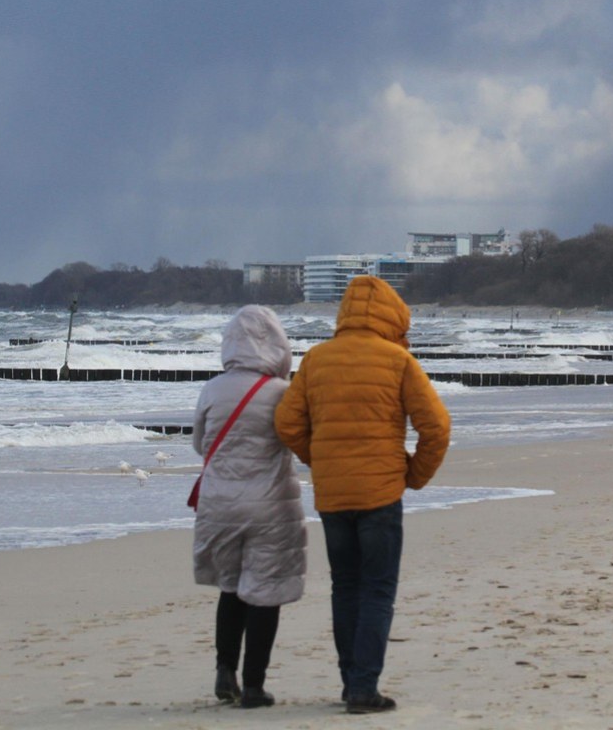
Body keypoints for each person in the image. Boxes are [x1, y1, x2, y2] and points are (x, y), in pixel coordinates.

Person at [275, 275, 451, 714]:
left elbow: (287, 423)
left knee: (346, 588)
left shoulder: (316, 360)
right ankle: (363, 687)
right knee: (377, 589)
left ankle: (350, 679)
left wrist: (323, 461)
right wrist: (413, 475)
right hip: (381, 493)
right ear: (393, 316)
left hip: (334, 497)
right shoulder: (398, 360)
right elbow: (437, 427)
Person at [192, 305, 306, 709]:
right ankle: (254, 685)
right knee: (264, 591)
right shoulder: (281, 393)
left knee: (231, 587)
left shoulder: (212, 389)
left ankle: (225, 669)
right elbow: (295, 439)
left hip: (219, 502)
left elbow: (199, 444)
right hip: (269, 504)